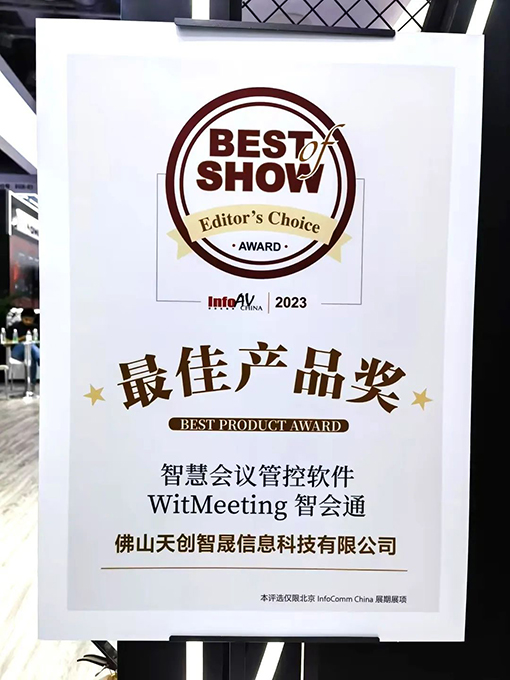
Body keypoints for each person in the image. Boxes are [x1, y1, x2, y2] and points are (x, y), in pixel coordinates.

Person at [7, 308, 40, 384]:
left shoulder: (36, 328)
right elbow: (6, 343)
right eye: (26, 319)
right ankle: (40, 358)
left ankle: (31, 384)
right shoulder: (15, 327)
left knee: (30, 352)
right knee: (27, 344)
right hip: (17, 352)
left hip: (30, 352)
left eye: (31, 320)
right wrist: (21, 339)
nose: (28, 322)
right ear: (21, 318)